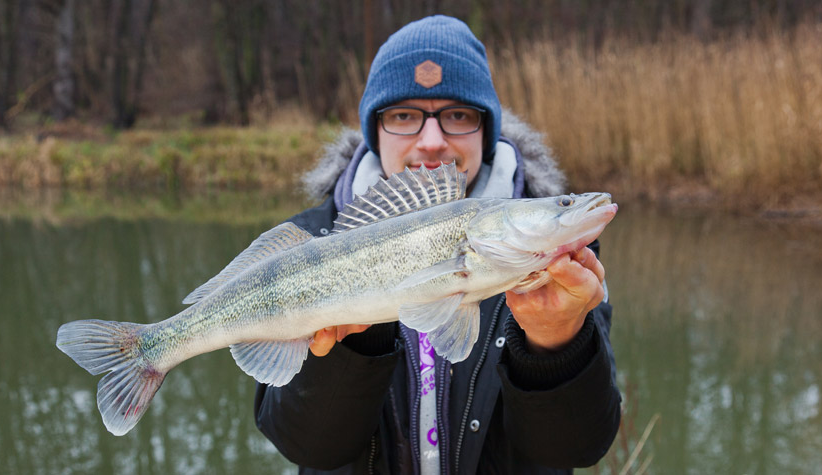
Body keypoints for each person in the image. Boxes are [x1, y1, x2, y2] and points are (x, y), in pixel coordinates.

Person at [254, 15, 621, 474]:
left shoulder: (560, 263)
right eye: (404, 116)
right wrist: (355, 344)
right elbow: (307, 448)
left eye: (458, 115)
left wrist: (556, 345)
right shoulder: (309, 242)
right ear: (375, 130)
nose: (432, 141)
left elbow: (575, 451)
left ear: (486, 131)